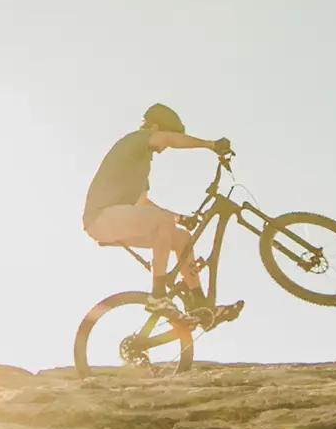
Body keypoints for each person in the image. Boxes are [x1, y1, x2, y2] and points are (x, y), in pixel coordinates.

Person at [83, 104, 229, 325]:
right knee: (163, 221)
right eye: (165, 135)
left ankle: (200, 306)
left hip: (118, 219)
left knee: (182, 238)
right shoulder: (135, 139)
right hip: (101, 218)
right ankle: (158, 295)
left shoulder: (141, 165)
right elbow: (167, 139)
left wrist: (180, 218)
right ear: (154, 127)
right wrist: (210, 145)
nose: (165, 147)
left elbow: (143, 203)